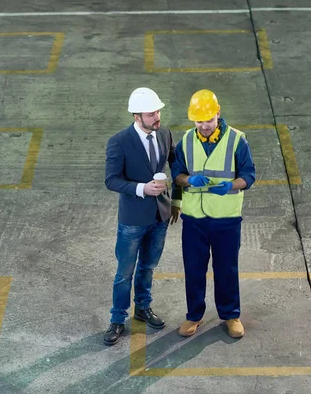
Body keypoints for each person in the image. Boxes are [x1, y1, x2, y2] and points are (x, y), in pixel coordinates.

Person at [171, 89, 256, 339]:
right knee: (194, 269)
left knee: (226, 268)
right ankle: (194, 315)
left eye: (208, 120)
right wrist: (189, 180)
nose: (204, 126)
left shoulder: (237, 140)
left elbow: (248, 175)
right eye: (199, 121)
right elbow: (177, 174)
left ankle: (231, 315)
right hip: (194, 220)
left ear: (218, 113)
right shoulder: (186, 140)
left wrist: (231, 185)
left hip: (226, 219)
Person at [103, 87, 181, 346]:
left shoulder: (165, 133)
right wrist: (141, 189)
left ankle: (143, 307)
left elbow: (177, 164)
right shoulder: (119, 142)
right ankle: (117, 318)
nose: (157, 117)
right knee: (125, 272)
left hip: (160, 215)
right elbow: (111, 180)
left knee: (148, 266)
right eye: (151, 114)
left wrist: (175, 202)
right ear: (137, 117)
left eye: (158, 111)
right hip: (133, 220)